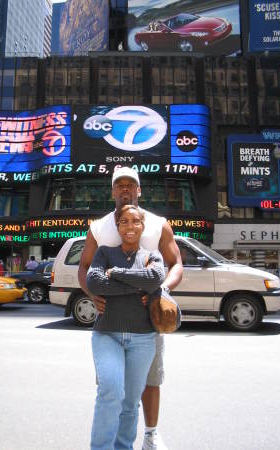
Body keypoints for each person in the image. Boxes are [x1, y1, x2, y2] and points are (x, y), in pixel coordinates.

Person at [78, 166, 183, 450]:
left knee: (148, 383)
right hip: (110, 322)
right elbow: (86, 268)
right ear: (112, 191)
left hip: (146, 320)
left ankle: (150, 433)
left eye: (131, 185)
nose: (125, 189)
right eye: (119, 185)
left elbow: (175, 265)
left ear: (139, 190)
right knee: (111, 389)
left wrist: (162, 290)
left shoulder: (159, 223)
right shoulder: (99, 227)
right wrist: (92, 292)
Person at [87, 205, 165, 450]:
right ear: (118, 226)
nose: (130, 226)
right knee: (110, 390)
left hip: (143, 338)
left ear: (142, 226)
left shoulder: (152, 256)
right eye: (124, 222)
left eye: (135, 221)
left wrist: (117, 274)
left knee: (130, 402)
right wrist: (137, 286)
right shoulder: (104, 253)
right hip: (107, 334)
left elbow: (155, 279)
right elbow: (94, 282)